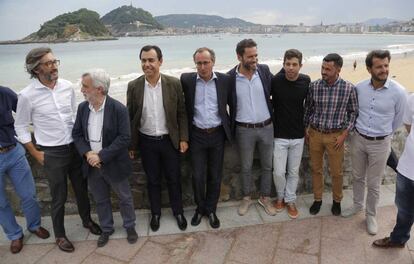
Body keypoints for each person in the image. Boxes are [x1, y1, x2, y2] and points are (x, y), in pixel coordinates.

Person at [14, 47, 101, 253]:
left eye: (55, 62)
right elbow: (20, 126)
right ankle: (60, 235)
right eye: (48, 63)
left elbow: (72, 114)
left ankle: (87, 221)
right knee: (59, 196)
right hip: (51, 152)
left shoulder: (67, 86)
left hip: (74, 147)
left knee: (81, 189)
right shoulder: (26, 95)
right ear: (36, 69)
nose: (54, 66)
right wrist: (35, 153)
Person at [342, 50, 407, 235]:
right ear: (369, 68)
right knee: (357, 176)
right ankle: (357, 206)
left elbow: (398, 120)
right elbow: (353, 112)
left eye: (386, 65)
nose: (384, 69)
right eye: (379, 66)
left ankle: (370, 215)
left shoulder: (399, 92)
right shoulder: (359, 88)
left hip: (381, 143)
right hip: (359, 139)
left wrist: (384, 134)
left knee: (374, 182)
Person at [72, 69, 138, 247]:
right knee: (100, 200)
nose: (82, 90)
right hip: (92, 165)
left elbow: (124, 137)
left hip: (114, 163)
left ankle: (130, 226)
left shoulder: (118, 109)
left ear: (99, 89)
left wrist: (101, 156)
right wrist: (88, 153)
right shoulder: (82, 108)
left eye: (85, 86)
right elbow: (77, 134)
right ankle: (107, 229)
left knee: (124, 198)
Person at [127, 45, 189, 232]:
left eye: (151, 60)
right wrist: (131, 144)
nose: (147, 64)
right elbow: (130, 116)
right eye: (144, 60)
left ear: (160, 61)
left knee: (174, 178)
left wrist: (183, 138)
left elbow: (181, 113)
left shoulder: (174, 84)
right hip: (146, 142)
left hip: (169, 141)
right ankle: (155, 214)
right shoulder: (134, 86)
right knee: (152, 180)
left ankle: (178, 212)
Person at [181, 47, 232, 228]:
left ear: (213, 62)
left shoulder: (225, 80)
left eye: (206, 62)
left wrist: (229, 132)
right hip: (196, 135)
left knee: (215, 175)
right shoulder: (186, 80)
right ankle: (200, 208)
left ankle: (211, 209)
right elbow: (182, 108)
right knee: (197, 176)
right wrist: (184, 137)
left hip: (217, 134)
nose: (202, 67)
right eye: (199, 63)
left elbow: (232, 105)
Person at [304, 53, 358, 216]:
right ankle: (318, 199)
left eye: (328, 69)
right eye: (322, 67)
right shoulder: (314, 86)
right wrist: (306, 130)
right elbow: (308, 109)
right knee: (316, 169)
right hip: (315, 134)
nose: (324, 71)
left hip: (336, 137)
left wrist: (344, 135)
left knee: (336, 172)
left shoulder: (349, 88)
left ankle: (337, 201)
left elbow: (353, 113)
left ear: (338, 70)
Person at [228, 39, 276, 216]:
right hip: (243, 130)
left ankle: (265, 198)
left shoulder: (263, 71)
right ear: (239, 56)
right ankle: (246, 198)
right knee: (246, 166)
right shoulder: (230, 77)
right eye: (250, 56)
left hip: (267, 127)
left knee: (267, 166)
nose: (254, 59)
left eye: (256, 55)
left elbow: (276, 92)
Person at [0, 86, 50, 254]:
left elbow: (26, 113)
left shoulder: (4, 92)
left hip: (14, 152)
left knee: (29, 194)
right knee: (0, 203)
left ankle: (34, 226)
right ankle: (14, 235)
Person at [271, 49, 310, 219]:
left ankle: (290, 200)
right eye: (288, 64)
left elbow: (309, 106)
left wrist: (308, 127)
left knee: (293, 171)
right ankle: (280, 197)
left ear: (300, 66)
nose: (291, 68)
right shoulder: (276, 80)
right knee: (278, 171)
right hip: (279, 134)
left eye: (294, 64)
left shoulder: (306, 81)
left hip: (298, 135)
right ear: (283, 64)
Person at [373, 93, 414, 248]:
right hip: (407, 168)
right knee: (404, 211)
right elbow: (409, 126)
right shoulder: (412, 98)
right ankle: (398, 239)